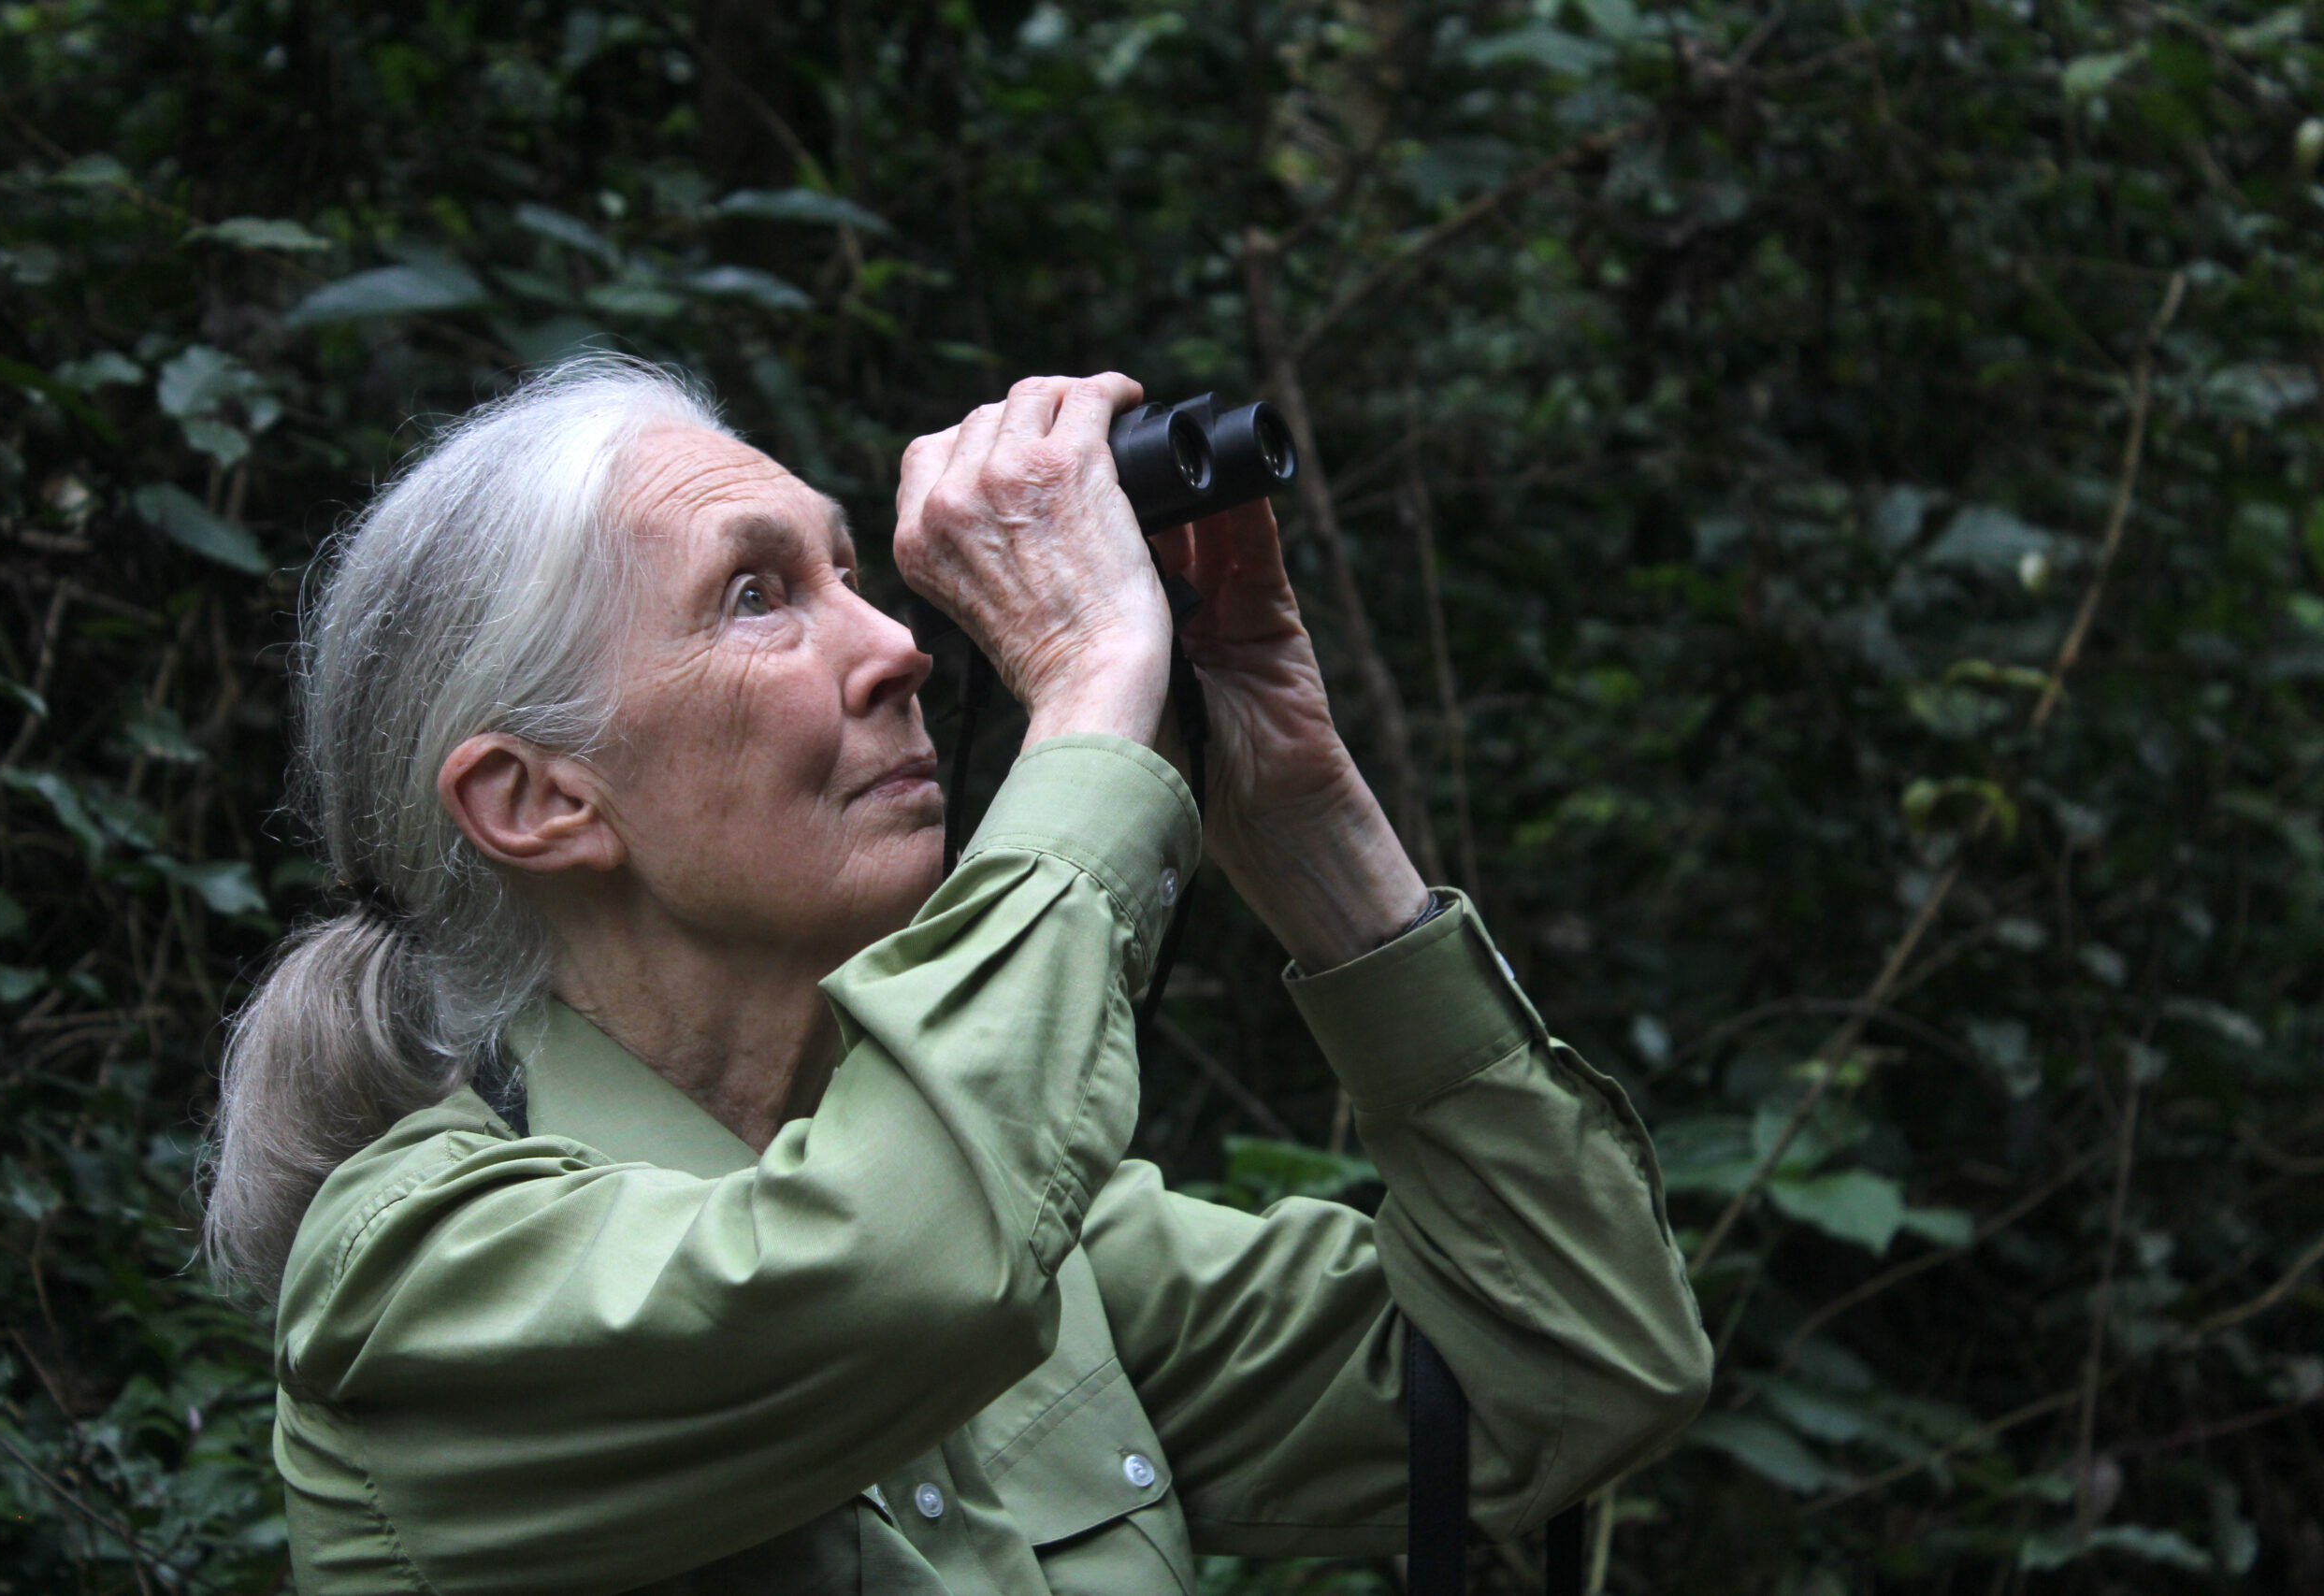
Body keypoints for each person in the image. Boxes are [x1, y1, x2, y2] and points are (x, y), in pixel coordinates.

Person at [203, 356, 1710, 1596]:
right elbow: (901, 1267)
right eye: (755, 597)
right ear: (538, 803)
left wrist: (1306, 823)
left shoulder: (1061, 1253)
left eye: (859, 574)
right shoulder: (413, 1278)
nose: (901, 649)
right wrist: (1091, 698)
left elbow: (1581, 1365)